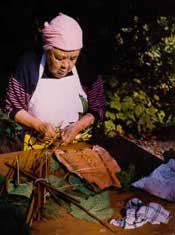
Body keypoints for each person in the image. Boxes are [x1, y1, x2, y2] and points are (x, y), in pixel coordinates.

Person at [3, 13, 105, 150]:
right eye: (59, 58)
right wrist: (38, 125)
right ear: (47, 50)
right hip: (35, 145)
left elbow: (98, 108)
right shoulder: (29, 65)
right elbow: (12, 107)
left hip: (78, 144)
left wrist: (77, 126)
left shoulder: (86, 67)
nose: (66, 65)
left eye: (73, 58)